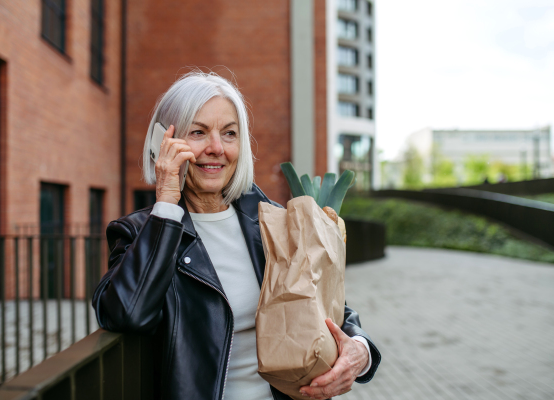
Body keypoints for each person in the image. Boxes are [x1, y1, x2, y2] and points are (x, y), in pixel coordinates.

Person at [92, 71, 381, 400]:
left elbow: (331, 306)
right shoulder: (140, 232)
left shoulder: (272, 220)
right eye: (198, 132)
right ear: (164, 143)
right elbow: (128, 313)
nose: (216, 148)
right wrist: (167, 205)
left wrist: (360, 350)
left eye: (229, 134)